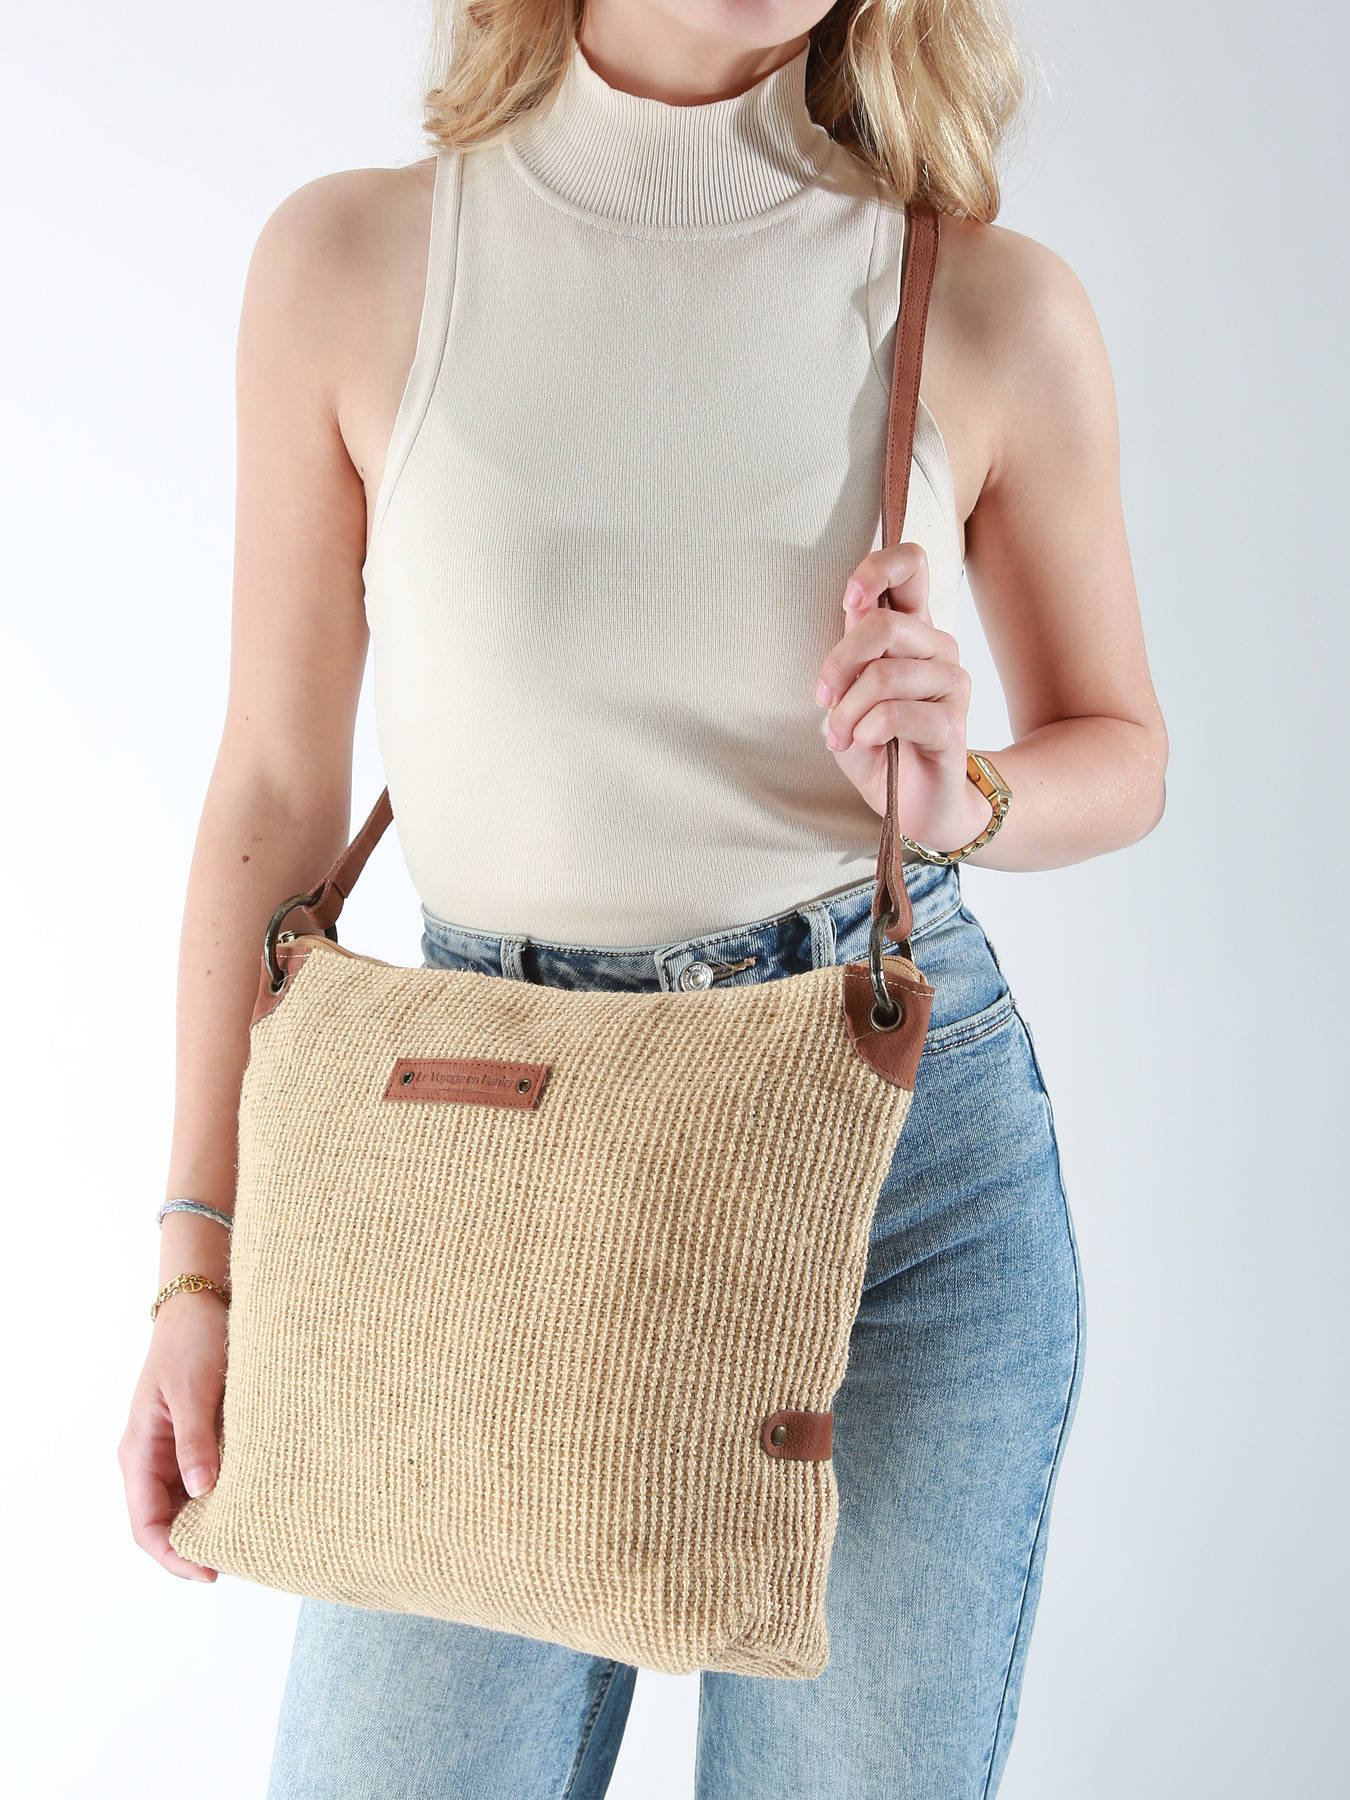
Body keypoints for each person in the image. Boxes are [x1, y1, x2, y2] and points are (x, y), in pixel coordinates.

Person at [118, 1, 1168, 1793]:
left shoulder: (989, 305)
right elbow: (279, 793)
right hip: (476, 1172)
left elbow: (1120, 754)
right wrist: (196, 1265)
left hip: (886, 1181)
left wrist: (961, 794)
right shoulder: (353, 261)